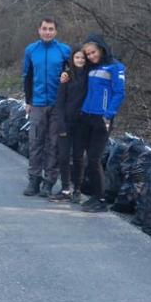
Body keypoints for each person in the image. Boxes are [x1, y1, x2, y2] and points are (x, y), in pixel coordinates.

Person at [71, 33, 126, 212]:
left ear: (101, 49)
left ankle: (101, 200)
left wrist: (108, 114)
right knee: (83, 157)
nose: (90, 56)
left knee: (94, 159)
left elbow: (119, 93)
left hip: (102, 119)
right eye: (88, 54)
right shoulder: (92, 67)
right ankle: (91, 195)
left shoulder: (115, 67)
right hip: (85, 116)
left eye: (93, 52)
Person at [21, 18, 71, 197]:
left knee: (54, 143)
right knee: (35, 142)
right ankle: (34, 180)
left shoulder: (64, 50)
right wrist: (28, 101)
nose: (47, 32)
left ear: (56, 31)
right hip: (37, 103)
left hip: (58, 105)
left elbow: (73, 74)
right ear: (39, 30)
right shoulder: (31, 50)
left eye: (51, 29)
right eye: (44, 28)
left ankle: (49, 181)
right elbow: (27, 76)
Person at [48, 46, 90, 202]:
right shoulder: (66, 77)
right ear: (72, 59)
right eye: (77, 57)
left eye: (83, 58)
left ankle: (77, 190)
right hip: (65, 122)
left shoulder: (90, 77)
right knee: (64, 156)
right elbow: (59, 102)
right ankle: (65, 188)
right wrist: (61, 123)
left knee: (78, 157)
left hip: (82, 123)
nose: (80, 60)